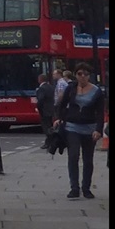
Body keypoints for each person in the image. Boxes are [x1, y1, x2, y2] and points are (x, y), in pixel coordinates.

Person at [53, 62, 105, 200]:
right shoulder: (71, 88)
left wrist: (98, 130)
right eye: (79, 74)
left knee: (88, 159)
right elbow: (61, 105)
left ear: (89, 76)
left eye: (86, 74)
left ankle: (86, 188)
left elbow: (100, 112)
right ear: (75, 75)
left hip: (89, 128)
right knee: (73, 155)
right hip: (72, 127)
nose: (82, 77)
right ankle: (74, 188)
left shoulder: (96, 92)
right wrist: (58, 118)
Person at [35, 72, 55, 149]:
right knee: (50, 126)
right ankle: (49, 142)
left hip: (44, 110)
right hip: (51, 110)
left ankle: (49, 142)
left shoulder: (41, 88)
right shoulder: (51, 87)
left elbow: (40, 100)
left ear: (40, 80)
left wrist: (39, 108)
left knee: (46, 127)